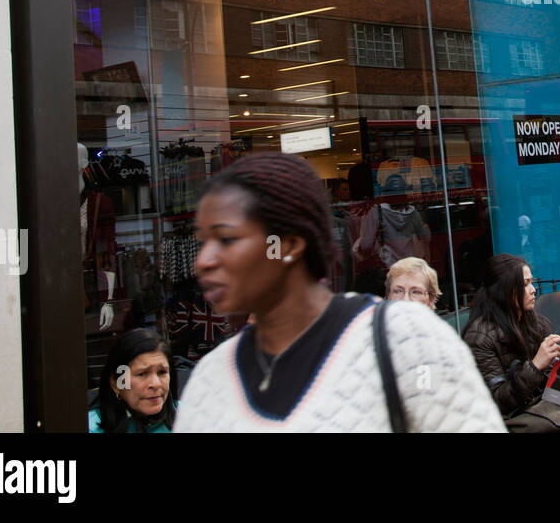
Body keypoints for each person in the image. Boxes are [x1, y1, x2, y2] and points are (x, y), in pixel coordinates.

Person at [176, 152, 505, 432]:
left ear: (288, 245)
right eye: (202, 241)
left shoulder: (407, 339)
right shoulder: (208, 380)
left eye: (227, 239)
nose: (203, 261)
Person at [462, 254, 560, 430]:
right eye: (525, 284)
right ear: (504, 290)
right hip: (512, 422)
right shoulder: (479, 336)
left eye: (531, 282)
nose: (533, 290)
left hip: (544, 416)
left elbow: (556, 393)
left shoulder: (538, 324)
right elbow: (497, 402)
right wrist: (536, 365)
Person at [89, 329, 178, 433]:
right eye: (142, 374)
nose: (156, 384)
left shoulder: (190, 414)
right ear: (116, 383)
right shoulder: (89, 427)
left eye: (162, 372)